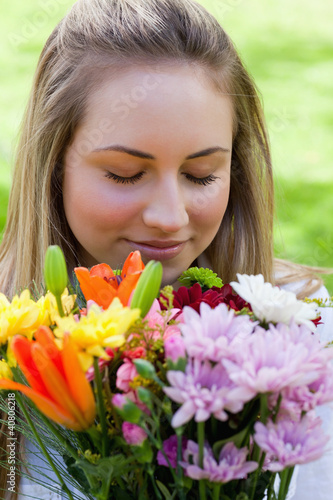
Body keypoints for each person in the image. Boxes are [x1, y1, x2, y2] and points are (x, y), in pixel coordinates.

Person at [0, 0, 331, 498]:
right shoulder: (12, 335)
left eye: (201, 175)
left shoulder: (304, 328)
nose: (171, 217)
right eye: (125, 174)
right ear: (53, 167)